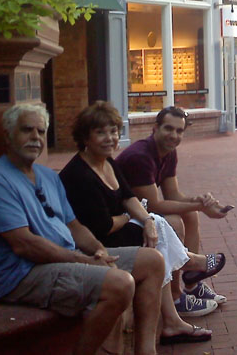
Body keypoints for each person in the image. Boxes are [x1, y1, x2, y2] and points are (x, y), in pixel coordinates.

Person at [0, 104, 164, 355]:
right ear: (8, 136)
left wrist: (98, 251)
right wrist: (83, 261)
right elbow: (25, 244)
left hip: (65, 260)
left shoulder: (48, 176)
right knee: (120, 283)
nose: (35, 138)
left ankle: (146, 351)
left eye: (41, 132)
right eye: (27, 130)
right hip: (24, 274)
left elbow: (74, 226)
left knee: (153, 261)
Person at [60, 102, 227, 344]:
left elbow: (131, 197)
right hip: (97, 240)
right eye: (101, 132)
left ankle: (178, 301)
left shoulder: (108, 162)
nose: (109, 138)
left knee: (165, 222)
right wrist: (139, 217)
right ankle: (187, 273)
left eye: (113, 132)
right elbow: (105, 225)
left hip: (117, 227)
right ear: (85, 136)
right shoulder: (83, 173)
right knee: (161, 234)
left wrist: (150, 218)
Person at [115, 105, 230, 306]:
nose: (174, 135)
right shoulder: (139, 157)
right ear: (155, 128)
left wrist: (201, 201)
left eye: (179, 131)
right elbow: (156, 205)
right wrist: (199, 207)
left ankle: (192, 279)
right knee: (175, 222)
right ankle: (177, 297)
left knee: (190, 215)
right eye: (169, 129)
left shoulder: (168, 152)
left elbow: (173, 194)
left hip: (141, 209)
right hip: (121, 216)